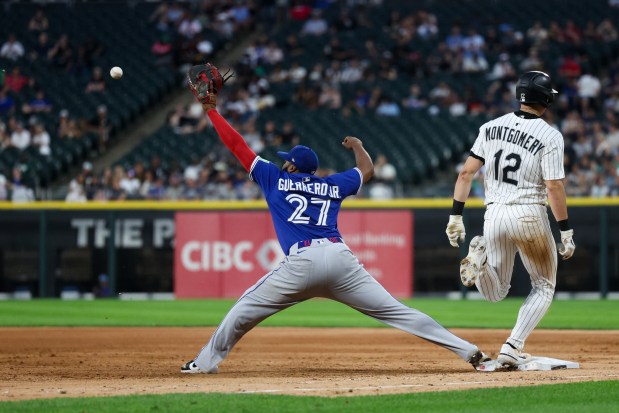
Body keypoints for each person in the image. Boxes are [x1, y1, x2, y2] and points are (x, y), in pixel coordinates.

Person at [181, 79, 490, 374]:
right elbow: (367, 170)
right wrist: (357, 144)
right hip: (341, 259)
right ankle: (469, 352)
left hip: (301, 263)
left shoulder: (274, 177)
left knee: (243, 310)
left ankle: (204, 363)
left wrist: (211, 110)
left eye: (286, 160)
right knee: (399, 312)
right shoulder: (332, 183)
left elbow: (236, 145)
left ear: (291, 166)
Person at [445, 71, 575, 369]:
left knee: (495, 292)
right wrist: (565, 231)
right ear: (545, 99)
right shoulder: (550, 135)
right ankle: (512, 346)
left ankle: (479, 258)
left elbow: (465, 173)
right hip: (529, 214)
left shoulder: (490, 127)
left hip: (494, 215)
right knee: (543, 285)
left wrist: (456, 216)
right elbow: (554, 186)